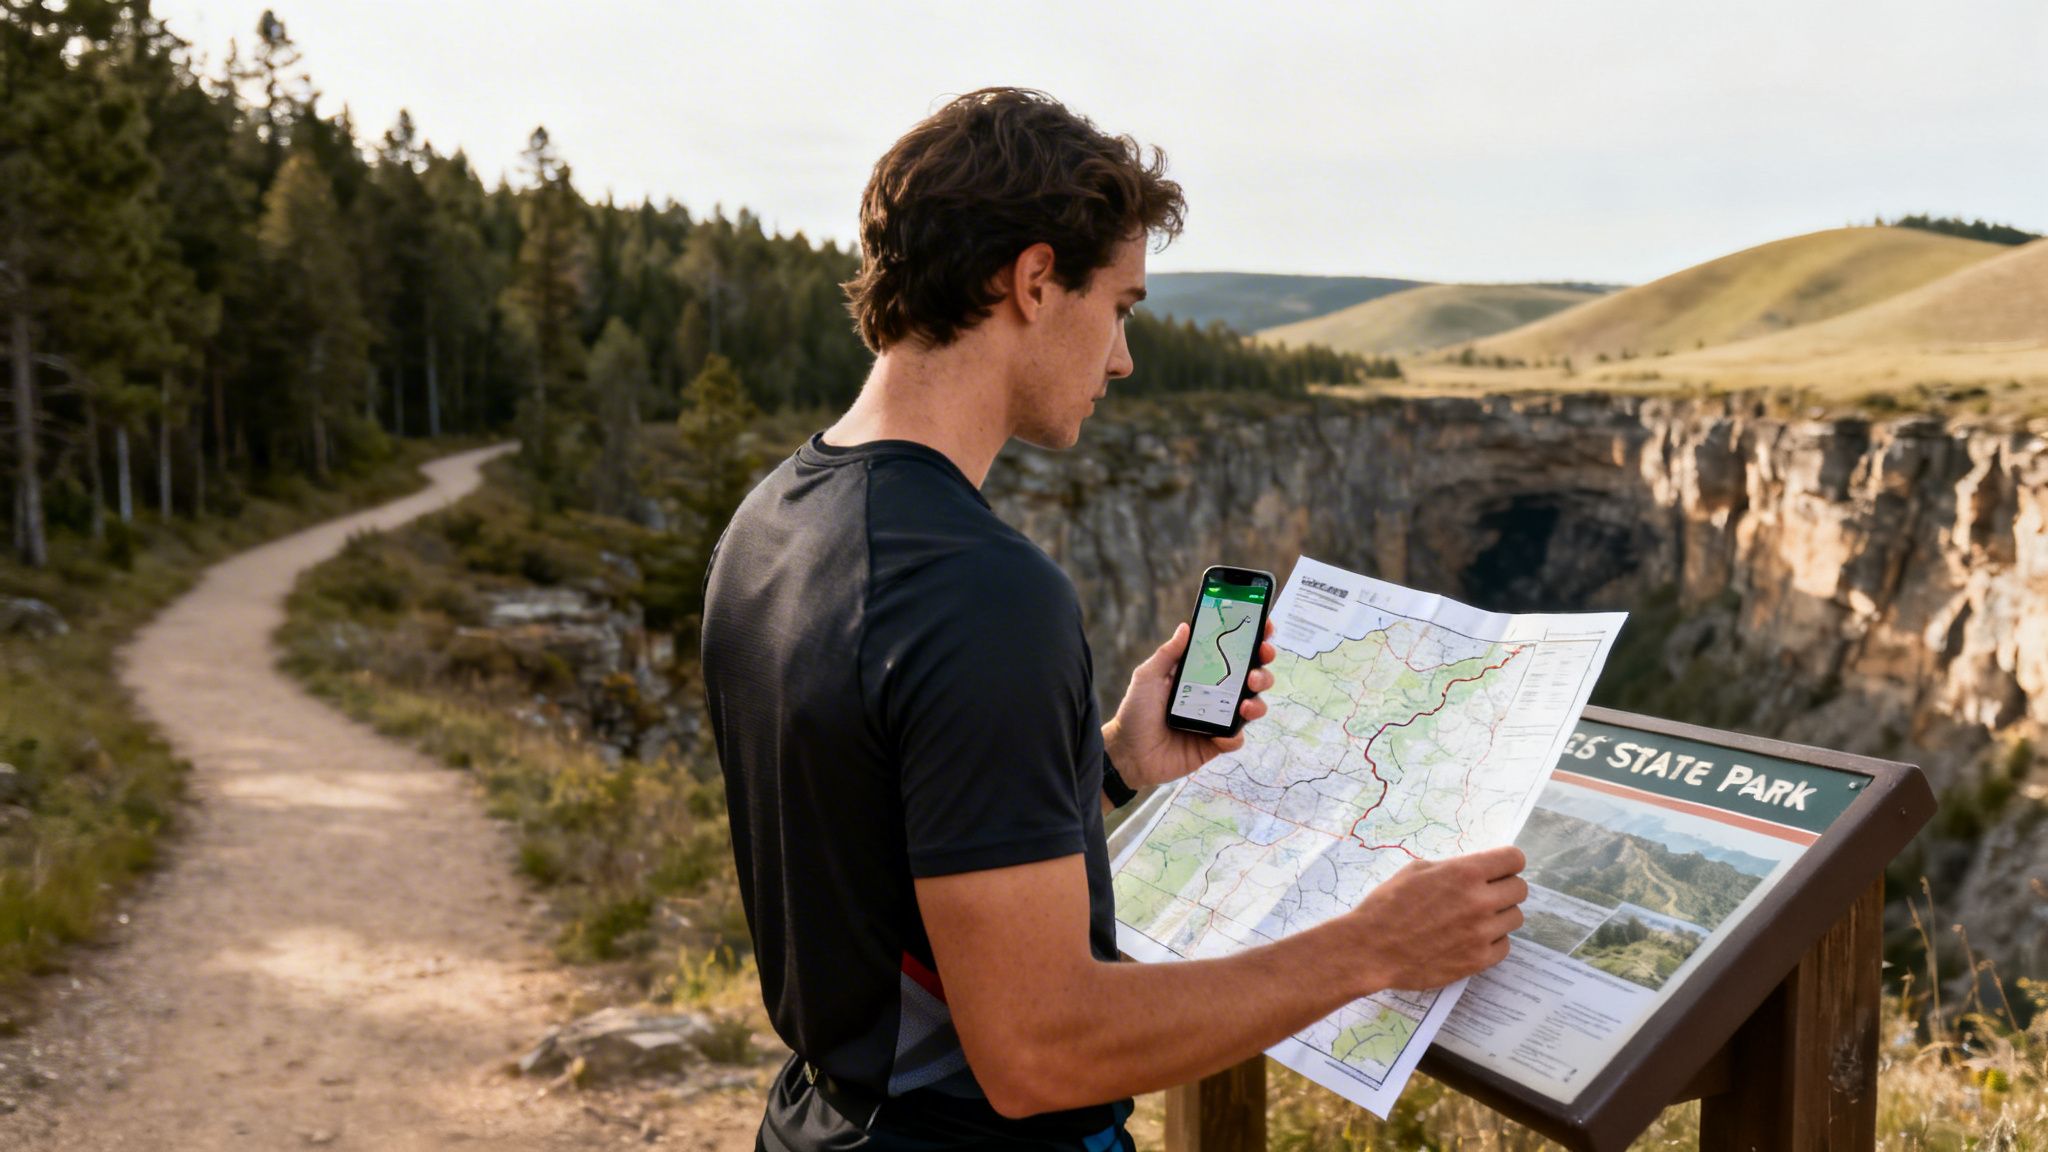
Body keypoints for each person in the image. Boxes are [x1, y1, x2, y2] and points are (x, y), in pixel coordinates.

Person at [700, 87, 1528, 1152]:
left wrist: (1110, 764)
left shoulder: (772, 520)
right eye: (1122, 306)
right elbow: (1041, 1052)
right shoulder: (979, 592)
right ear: (1036, 282)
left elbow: (878, 834)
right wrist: (1369, 948)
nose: (1123, 358)